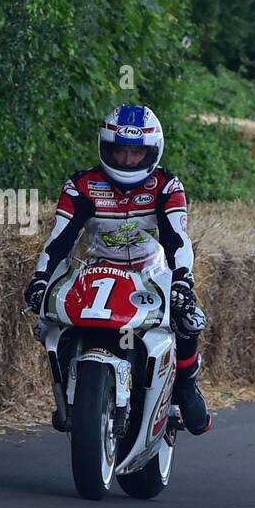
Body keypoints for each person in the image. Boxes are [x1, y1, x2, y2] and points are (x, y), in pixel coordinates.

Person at [23, 104, 210, 434]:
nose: (126, 160)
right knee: (46, 320)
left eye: (136, 153)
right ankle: (72, 391)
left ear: (152, 152)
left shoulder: (167, 186)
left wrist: (182, 280)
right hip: (96, 271)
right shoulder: (81, 185)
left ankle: (186, 385)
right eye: (119, 151)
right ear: (104, 148)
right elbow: (59, 240)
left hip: (150, 273)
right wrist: (40, 278)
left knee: (188, 317)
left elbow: (178, 240)